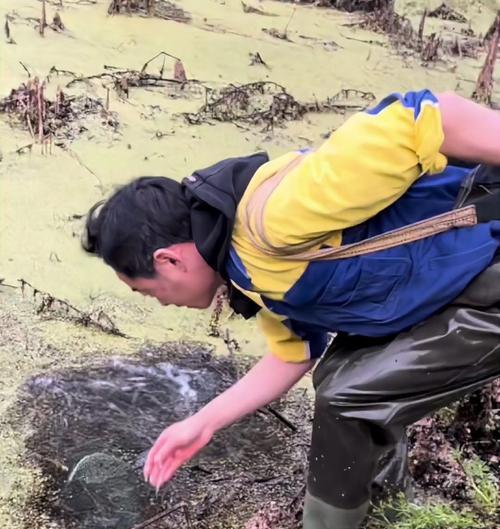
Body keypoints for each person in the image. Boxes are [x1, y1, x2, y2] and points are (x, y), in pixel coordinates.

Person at [82, 89, 500, 529]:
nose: (162, 302)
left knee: (349, 399)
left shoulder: (275, 217)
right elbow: (294, 354)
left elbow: (423, 117)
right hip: (459, 287)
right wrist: (202, 423)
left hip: (489, 269)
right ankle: (388, 511)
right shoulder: (245, 267)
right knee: (338, 375)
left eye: (150, 292)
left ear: (168, 260)